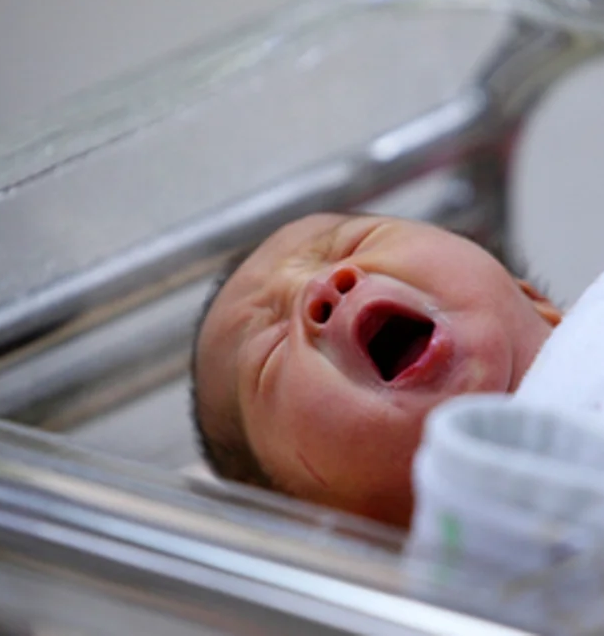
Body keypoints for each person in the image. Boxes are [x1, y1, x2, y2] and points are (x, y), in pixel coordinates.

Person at [191, 213, 561, 527]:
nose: (322, 287)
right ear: (316, 520)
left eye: (357, 244)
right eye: (270, 355)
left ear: (531, 298)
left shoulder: (599, 323)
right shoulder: (446, 578)